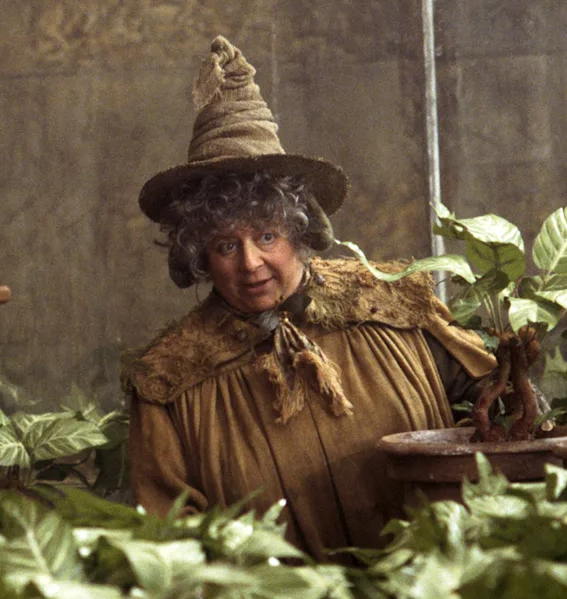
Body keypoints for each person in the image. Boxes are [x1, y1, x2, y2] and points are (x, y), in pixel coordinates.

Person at [122, 36, 495, 561]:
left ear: (298, 231)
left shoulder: (393, 305)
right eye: (226, 245)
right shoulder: (170, 381)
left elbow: (495, 415)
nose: (250, 263)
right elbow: (170, 536)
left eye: (266, 236)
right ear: (200, 255)